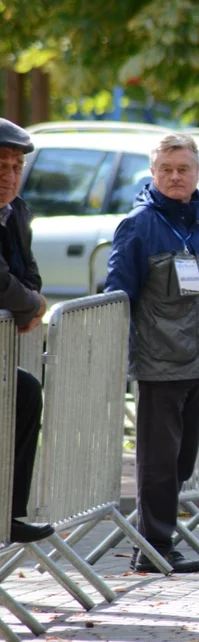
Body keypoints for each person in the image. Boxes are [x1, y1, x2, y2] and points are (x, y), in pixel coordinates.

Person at [105, 133, 199, 573]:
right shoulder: (138, 225)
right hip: (159, 363)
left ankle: (156, 537)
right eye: (166, 169)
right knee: (158, 461)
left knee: (182, 460)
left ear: (196, 173)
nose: (175, 176)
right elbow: (117, 297)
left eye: (183, 169)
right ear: (153, 173)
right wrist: (117, 358)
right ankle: (152, 548)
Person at [0, 119, 54, 544]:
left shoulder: (16, 211)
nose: (9, 175)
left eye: (16, 166)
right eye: (0, 165)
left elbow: (29, 275)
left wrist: (28, 301)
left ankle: (10, 514)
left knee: (25, 392)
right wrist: (30, 304)